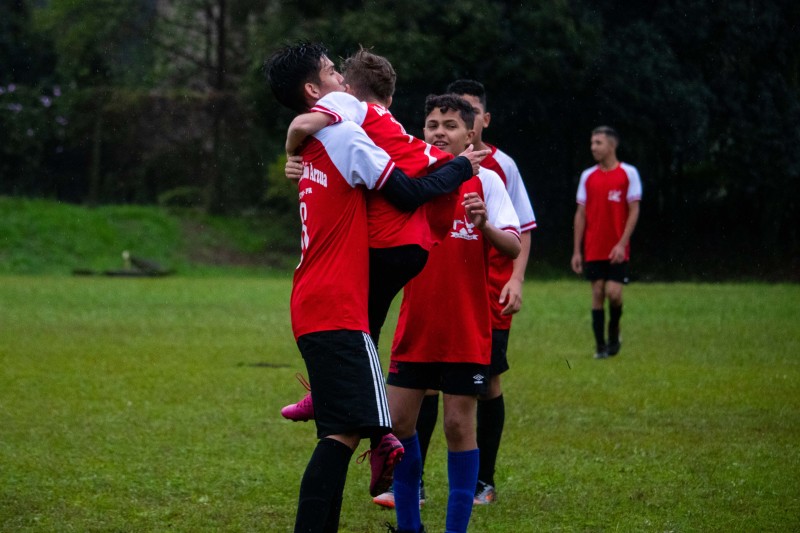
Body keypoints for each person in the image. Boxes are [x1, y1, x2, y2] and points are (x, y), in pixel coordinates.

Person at [263, 42, 483, 533]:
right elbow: (407, 193)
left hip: (314, 300)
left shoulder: (313, 147)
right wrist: (461, 166)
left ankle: (372, 437)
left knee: (341, 433)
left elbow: (300, 130)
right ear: (314, 90)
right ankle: (382, 445)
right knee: (342, 436)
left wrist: (290, 146)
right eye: (330, 73)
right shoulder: (341, 132)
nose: (341, 80)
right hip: (337, 305)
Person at [378, 79, 538, 509]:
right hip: (417, 324)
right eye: (431, 124)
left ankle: (463, 512)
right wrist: (298, 161)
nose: (438, 132)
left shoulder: (488, 181)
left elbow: (514, 240)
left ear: (471, 134)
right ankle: (410, 513)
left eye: (449, 125)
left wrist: (484, 225)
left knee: (457, 424)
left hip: (468, 325)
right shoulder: (410, 180)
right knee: (399, 422)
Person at [571, 125, 642, 359]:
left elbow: (633, 210)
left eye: (598, 143)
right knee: (597, 292)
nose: (593, 147)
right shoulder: (587, 176)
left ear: (612, 145)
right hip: (593, 246)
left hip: (617, 247)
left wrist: (622, 243)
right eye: (592, 143)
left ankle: (614, 333)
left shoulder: (628, 173)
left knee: (614, 293)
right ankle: (601, 347)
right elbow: (580, 214)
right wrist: (577, 251)